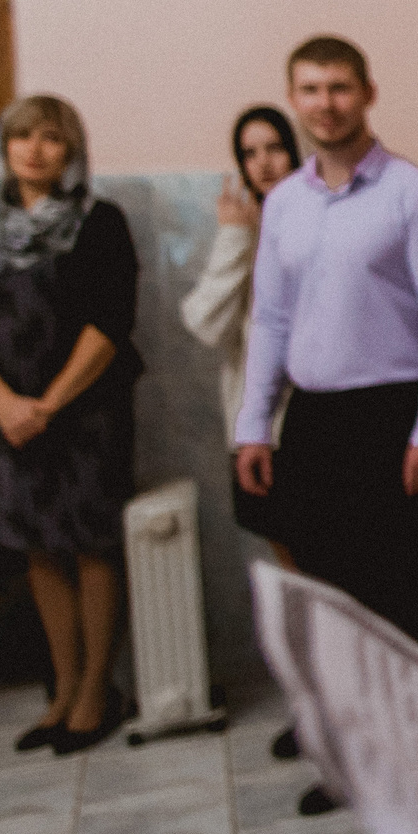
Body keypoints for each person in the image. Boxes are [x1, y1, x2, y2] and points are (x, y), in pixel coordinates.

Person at [236, 36, 418, 816]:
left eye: (339, 87)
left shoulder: (415, 194)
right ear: (293, 97)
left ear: (367, 91)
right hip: (315, 419)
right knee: (331, 601)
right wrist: (253, 424)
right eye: (310, 88)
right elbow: (270, 318)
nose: (325, 102)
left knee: (403, 599)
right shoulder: (285, 203)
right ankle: (349, 756)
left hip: (394, 415)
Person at [0, 95, 143, 756]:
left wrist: (48, 404)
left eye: (51, 138)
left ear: (71, 153)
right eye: (21, 136)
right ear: (4, 146)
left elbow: (110, 322)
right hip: (5, 416)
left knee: (91, 545)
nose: (34, 149)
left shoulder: (100, 223)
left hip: (86, 413)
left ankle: (97, 691)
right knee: (37, 548)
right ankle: (63, 686)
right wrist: (4, 402)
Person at [180, 105, 299, 550]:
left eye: (275, 148)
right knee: (282, 552)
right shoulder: (243, 230)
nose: (264, 164)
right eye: (250, 153)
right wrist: (235, 237)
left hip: (314, 418)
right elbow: (206, 323)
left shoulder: (318, 223)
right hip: (257, 423)